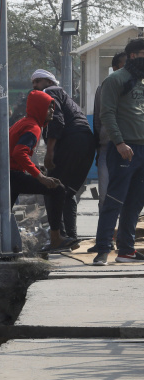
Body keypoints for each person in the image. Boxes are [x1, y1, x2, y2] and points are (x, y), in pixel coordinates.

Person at [93, 38, 144, 265]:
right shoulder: (115, 80)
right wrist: (120, 143)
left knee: (135, 203)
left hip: (142, 149)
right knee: (114, 200)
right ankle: (103, 250)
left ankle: (126, 251)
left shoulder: (141, 82)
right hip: (124, 149)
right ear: (134, 55)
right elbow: (107, 114)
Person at [31, 69, 97, 243]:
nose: (35, 86)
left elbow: (57, 120)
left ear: (48, 82)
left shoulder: (49, 92)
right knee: (67, 192)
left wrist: (50, 151)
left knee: (50, 188)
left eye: (37, 81)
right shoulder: (66, 98)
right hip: (86, 143)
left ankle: (58, 237)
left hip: (70, 141)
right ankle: (70, 237)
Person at [8, 90, 70, 250]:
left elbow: (15, 152)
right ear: (39, 108)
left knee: (1, 213)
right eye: (48, 108)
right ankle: (56, 238)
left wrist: (36, 168)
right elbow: (19, 152)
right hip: (12, 175)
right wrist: (41, 178)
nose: (52, 111)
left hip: (7, 175)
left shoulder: (24, 122)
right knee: (58, 190)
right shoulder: (33, 127)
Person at [92, 52, 127, 212]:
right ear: (115, 68)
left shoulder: (137, 88)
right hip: (107, 147)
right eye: (125, 64)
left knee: (129, 196)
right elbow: (99, 119)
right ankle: (105, 234)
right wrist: (99, 146)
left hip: (131, 147)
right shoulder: (104, 88)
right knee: (105, 196)